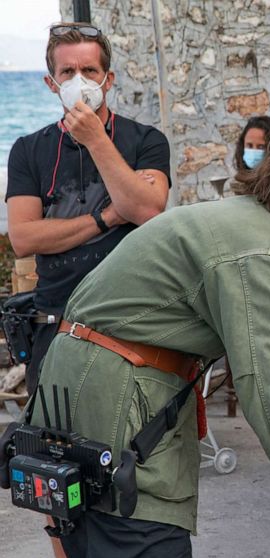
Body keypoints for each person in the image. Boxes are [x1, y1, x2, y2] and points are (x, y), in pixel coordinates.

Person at [33, 113, 270, 557]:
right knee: (145, 539)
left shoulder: (243, 223)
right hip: (116, 408)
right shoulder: (255, 253)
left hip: (82, 392)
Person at [6, 22, 170, 395]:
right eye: (68, 72)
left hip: (132, 316)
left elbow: (147, 211)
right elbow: (23, 236)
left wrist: (96, 140)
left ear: (107, 80)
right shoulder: (29, 150)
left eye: (89, 71)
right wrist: (108, 216)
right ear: (52, 83)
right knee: (55, 441)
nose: (79, 80)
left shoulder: (147, 141)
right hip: (57, 319)